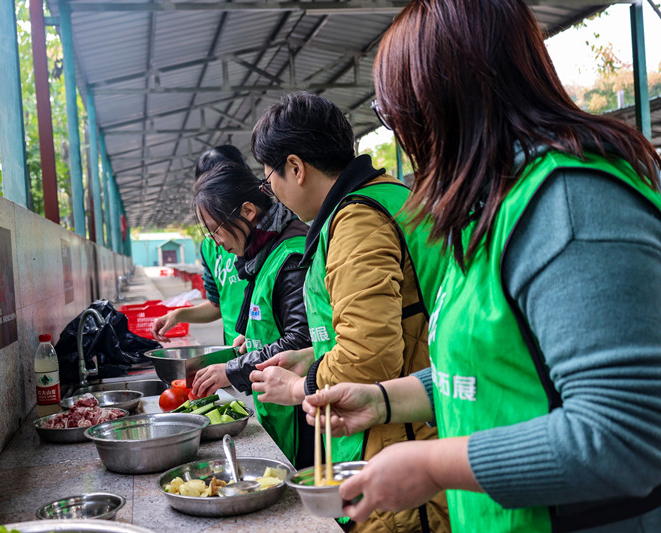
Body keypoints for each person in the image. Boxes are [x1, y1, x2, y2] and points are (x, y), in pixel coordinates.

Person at [303, 1, 661, 532]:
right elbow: (493, 367)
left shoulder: (571, 206)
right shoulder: (493, 209)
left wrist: (430, 465)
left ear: (445, 99)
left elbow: (627, 434)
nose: (399, 130)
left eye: (394, 109)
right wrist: (383, 400)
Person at [249, 91, 450, 533]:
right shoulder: (393, 195)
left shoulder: (357, 219)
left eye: (270, 181)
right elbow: (391, 321)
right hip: (428, 428)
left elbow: (368, 356)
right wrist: (311, 356)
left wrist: (300, 384)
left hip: (402, 448)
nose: (275, 195)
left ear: (296, 168)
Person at [188, 161, 315, 469]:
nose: (216, 241)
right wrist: (253, 339)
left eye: (217, 229)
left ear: (248, 211)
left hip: (302, 415)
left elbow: (301, 340)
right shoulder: (264, 252)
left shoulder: (290, 253)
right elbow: (276, 320)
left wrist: (230, 370)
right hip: (277, 405)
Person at [151, 146, 249, 346]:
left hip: (271, 348)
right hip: (236, 348)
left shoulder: (265, 237)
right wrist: (178, 315)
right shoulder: (209, 247)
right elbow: (218, 305)